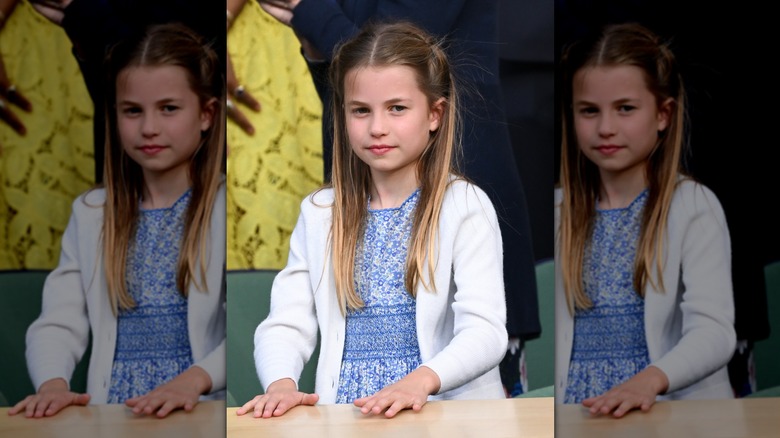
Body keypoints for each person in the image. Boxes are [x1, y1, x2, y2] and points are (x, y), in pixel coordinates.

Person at [258, 0, 540, 398]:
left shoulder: (464, 207)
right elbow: (286, 323)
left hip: (443, 417)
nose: (377, 127)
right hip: (348, 416)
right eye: (360, 110)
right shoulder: (321, 212)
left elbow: (484, 331)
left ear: (434, 115)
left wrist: (419, 384)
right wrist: (281, 383)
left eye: (396, 109)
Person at [8, 23, 226, 418]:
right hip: (114, 413)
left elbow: (239, 332)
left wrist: (193, 380)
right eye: (132, 111)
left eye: (169, 108)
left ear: (207, 114)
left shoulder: (225, 207)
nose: (148, 128)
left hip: (197, 414)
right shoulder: (93, 213)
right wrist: (53, 383)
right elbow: (58, 320)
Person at [555, 23, 735, 417]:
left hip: (669, 414)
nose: (605, 128)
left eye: (625, 108)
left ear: (663, 114)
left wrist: (650, 380)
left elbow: (715, 331)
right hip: (579, 413)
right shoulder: (560, 212)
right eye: (589, 111)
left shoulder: (692, 206)